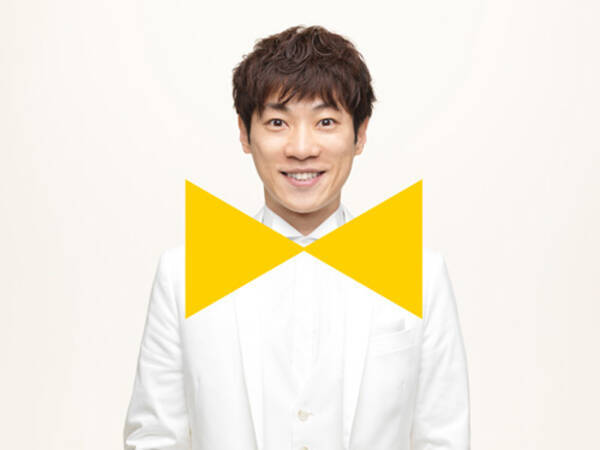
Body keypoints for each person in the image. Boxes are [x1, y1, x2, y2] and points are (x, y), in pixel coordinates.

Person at [123, 25, 470, 450]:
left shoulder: (421, 274)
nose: (302, 148)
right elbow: (154, 437)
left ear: (360, 134)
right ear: (244, 133)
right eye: (277, 122)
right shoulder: (182, 273)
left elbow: (443, 438)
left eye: (326, 122)